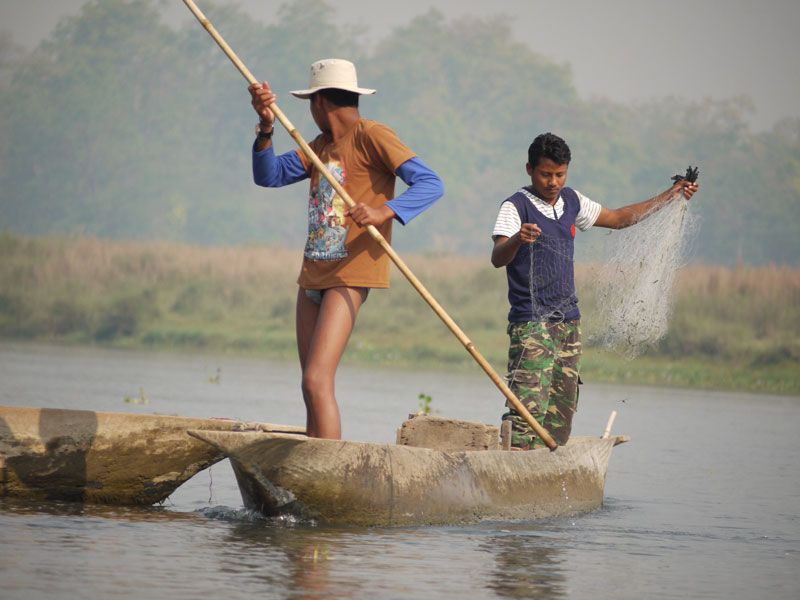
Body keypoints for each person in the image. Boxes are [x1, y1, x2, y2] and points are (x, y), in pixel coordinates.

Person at [248, 58, 444, 439]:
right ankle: (312, 465)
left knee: (317, 380)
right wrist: (267, 128)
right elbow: (267, 176)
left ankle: (329, 472)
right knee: (310, 385)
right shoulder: (318, 146)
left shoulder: (372, 135)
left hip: (350, 271)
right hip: (314, 269)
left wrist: (383, 210)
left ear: (318, 102)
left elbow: (431, 184)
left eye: (310, 104)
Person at [491, 132, 698, 450]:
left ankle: (547, 469)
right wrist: (519, 238)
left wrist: (671, 195)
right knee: (526, 408)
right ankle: (511, 465)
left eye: (560, 174)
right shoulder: (515, 206)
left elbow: (617, 219)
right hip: (532, 322)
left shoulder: (572, 201)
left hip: (568, 323)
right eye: (546, 174)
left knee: (561, 410)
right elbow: (498, 257)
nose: (553, 182)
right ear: (530, 169)